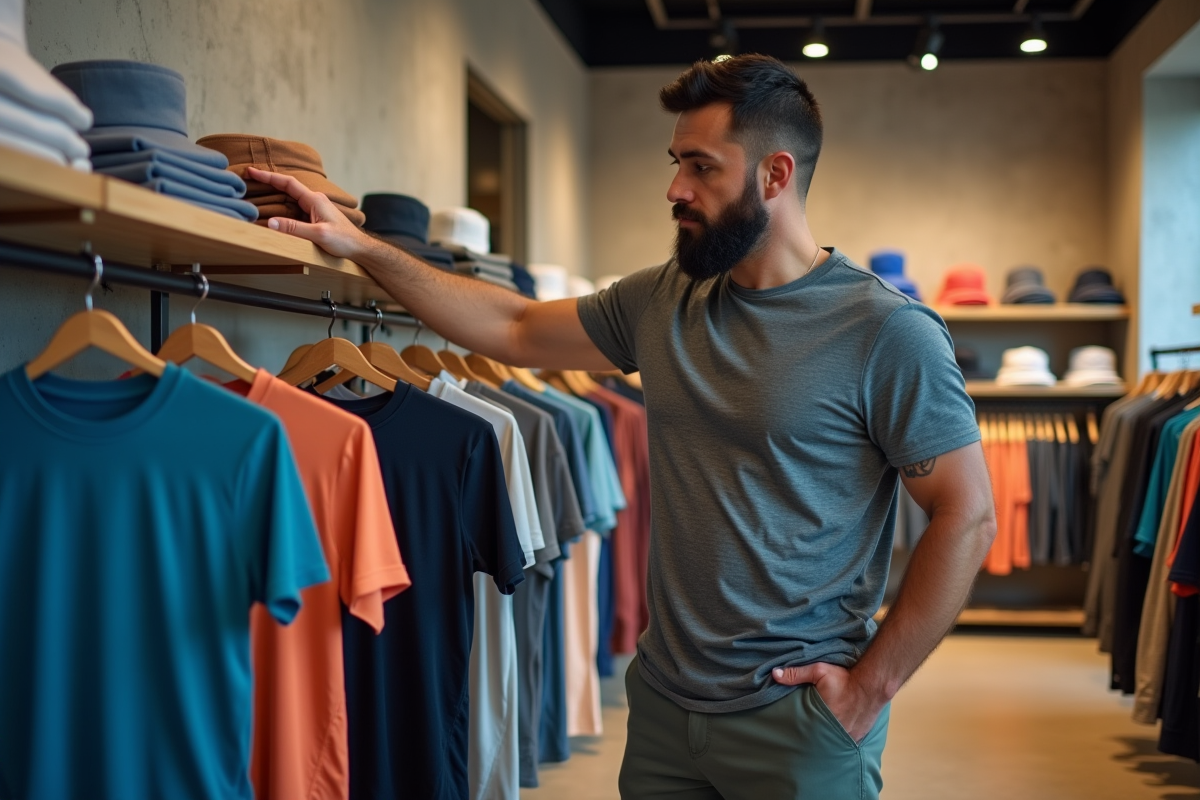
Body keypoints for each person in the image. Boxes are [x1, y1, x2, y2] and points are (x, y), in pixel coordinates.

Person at [251, 53, 996, 800]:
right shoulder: (665, 300)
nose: (675, 189)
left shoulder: (885, 332)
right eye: (676, 164)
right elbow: (514, 327)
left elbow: (966, 514)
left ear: (775, 175)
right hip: (666, 711)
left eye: (702, 168)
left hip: (797, 722)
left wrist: (870, 689)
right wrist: (363, 248)